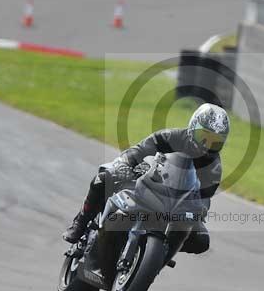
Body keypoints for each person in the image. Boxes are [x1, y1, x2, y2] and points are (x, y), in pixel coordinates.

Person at [63, 103, 229, 254]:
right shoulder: (172, 136)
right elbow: (140, 149)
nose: (207, 145)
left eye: (215, 142)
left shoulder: (214, 167)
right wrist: (125, 164)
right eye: (204, 136)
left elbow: (204, 197)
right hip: (149, 182)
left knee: (201, 240)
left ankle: (161, 253)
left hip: (175, 204)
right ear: (193, 127)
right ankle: (80, 222)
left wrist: (199, 210)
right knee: (103, 178)